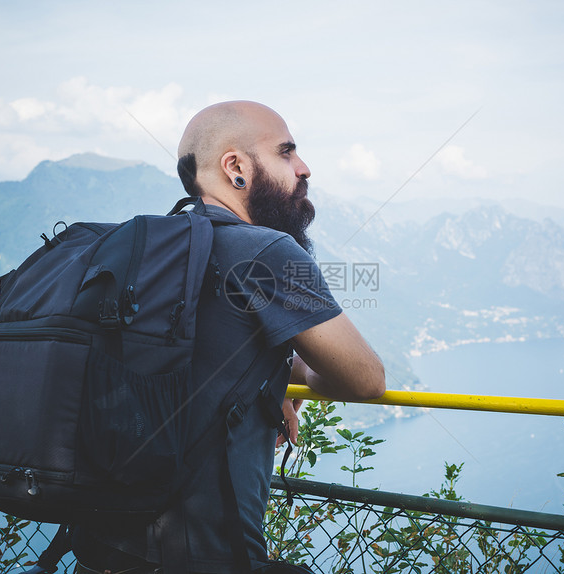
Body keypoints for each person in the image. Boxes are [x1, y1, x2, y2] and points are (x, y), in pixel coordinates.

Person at [73, 101, 385, 574]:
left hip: (101, 545)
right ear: (235, 167)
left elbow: (201, 355)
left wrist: (275, 374)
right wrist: (310, 379)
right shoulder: (265, 250)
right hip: (205, 556)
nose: (304, 168)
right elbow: (367, 380)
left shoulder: (155, 253)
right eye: (286, 153)